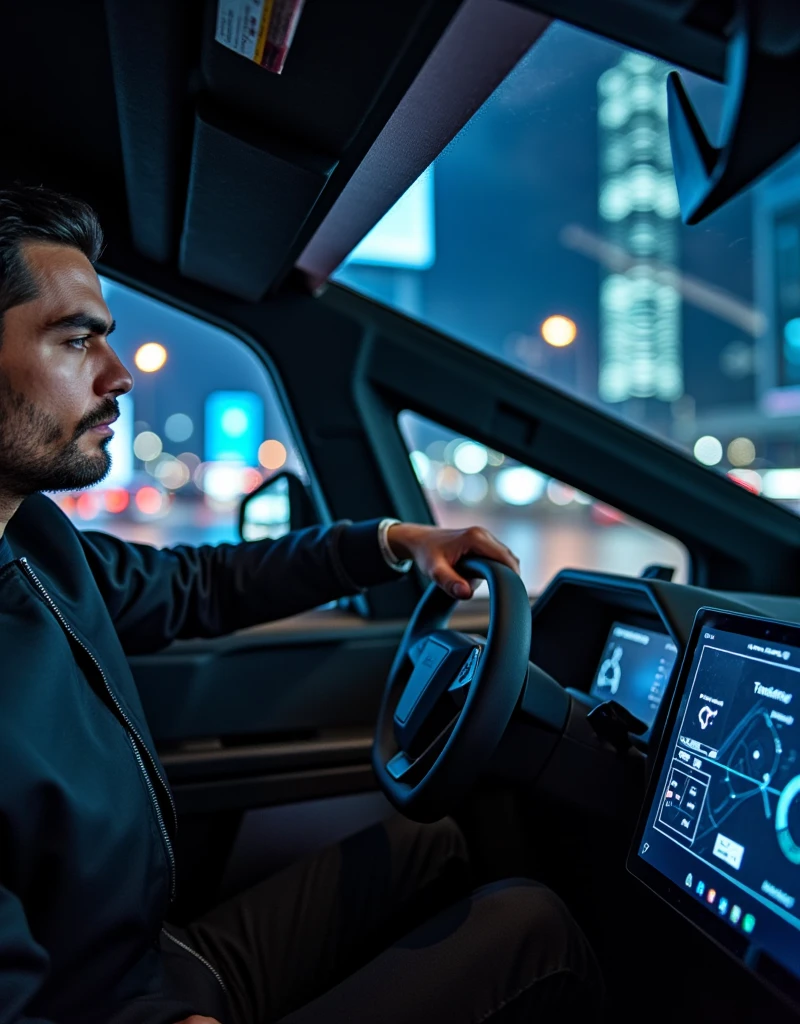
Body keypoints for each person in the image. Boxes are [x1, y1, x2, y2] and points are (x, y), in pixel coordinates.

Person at [0, 185, 603, 1024]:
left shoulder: (34, 543)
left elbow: (198, 585)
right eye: (76, 340)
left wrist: (392, 541)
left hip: (154, 962)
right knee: (532, 928)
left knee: (433, 839)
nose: (119, 373)